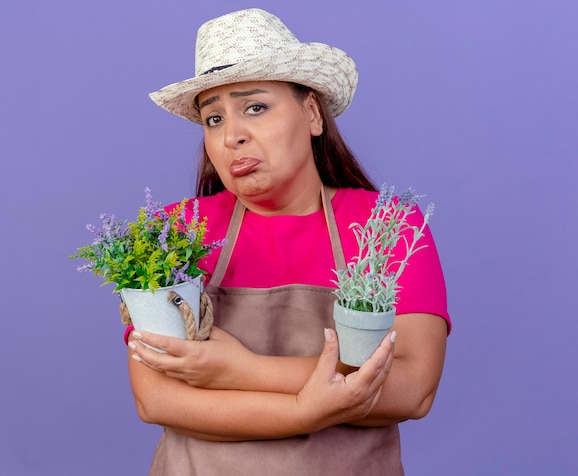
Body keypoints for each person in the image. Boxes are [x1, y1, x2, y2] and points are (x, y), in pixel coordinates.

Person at [125, 8, 450, 475]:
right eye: (213, 119)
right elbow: (156, 398)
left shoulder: (387, 225)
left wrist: (239, 371)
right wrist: (306, 409)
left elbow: (413, 386)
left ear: (312, 113)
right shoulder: (173, 233)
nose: (232, 135)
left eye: (255, 107)